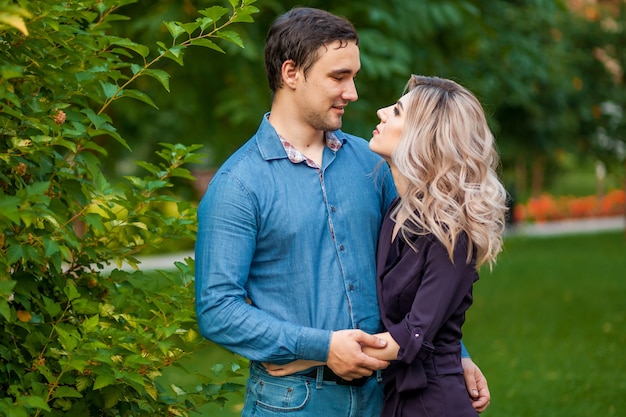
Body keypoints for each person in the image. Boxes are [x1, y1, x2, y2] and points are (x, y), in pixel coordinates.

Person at [195, 7, 491, 417]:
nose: (352, 93)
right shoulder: (239, 185)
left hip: (386, 394)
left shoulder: (372, 164)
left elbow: (428, 267)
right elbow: (217, 311)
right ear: (291, 73)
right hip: (293, 402)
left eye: (353, 76)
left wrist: (454, 351)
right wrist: (323, 348)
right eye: (338, 77)